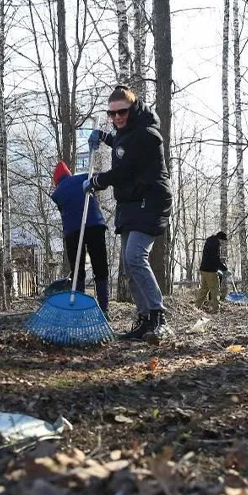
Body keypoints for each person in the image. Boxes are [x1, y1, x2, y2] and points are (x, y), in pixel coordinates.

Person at [85, 85, 174, 341]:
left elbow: (124, 168)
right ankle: (145, 320)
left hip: (150, 200)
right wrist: (104, 136)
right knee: (128, 262)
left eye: (121, 112)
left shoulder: (147, 133)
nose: (116, 118)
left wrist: (96, 182)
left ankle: (159, 318)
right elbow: (122, 144)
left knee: (135, 256)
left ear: (132, 108)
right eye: (111, 114)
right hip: (132, 203)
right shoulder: (128, 132)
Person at [50, 161, 110, 314]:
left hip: (72, 232)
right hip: (96, 225)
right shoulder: (85, 177)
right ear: (69, 174)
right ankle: (104, 309)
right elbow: (102, 181)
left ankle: (80, 309)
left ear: (56, 181)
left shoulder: (57, 194)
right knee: (100, 267)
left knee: (78, 270)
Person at [196, 231, 229, 313]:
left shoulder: (209, 242)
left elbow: (211, 258)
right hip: (211, 271)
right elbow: (215, 260)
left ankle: (196, 307)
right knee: (215, 290)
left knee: (203, 289)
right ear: (220, 239)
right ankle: (215, 309)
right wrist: (225, 269)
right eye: (223, 241)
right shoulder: (216, 245)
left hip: (203, 269)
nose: (222, 243)